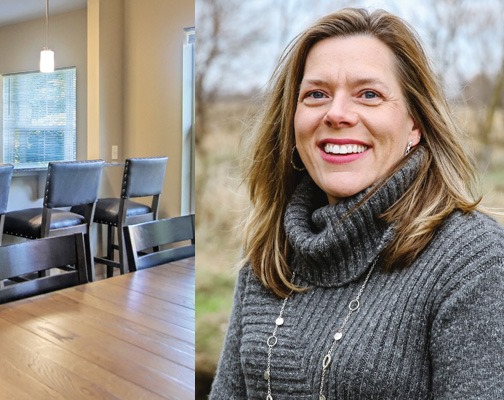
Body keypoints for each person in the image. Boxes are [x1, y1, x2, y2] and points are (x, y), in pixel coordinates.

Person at [210, 7, 504, 399]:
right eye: (316, 94)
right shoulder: (271, 253)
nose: (337, 114)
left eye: (369, 94)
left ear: (415, 124)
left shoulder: (472, 261)